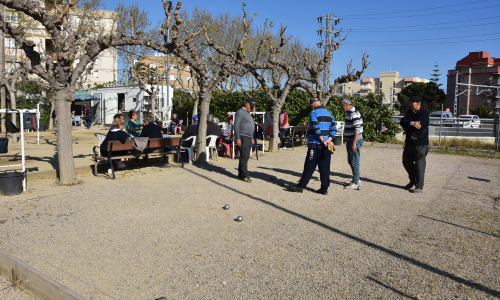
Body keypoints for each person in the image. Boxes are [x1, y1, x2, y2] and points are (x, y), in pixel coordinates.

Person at [289, 98, 337, 195]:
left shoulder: (313, 113)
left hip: (315, 144)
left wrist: (322, 140)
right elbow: (334, 129)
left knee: (309, 166)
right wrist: (328, 140)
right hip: (327, 145)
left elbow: (316, 128)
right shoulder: (329, 114)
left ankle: (301, 186)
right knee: (325, 167)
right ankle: (324, 188)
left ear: (312, 105)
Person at [400, 96, 429, 193]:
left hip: (420, 143)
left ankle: (419, 186)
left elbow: (420, 127)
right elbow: (402, 122)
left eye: (412, 103)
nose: (410, 105)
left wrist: (408, 126)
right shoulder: (409, 113)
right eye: (409, 103)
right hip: (409, 142)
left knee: (419, 165)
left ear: (418, 103)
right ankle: (413, 180)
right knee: (406, 162)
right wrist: (412, 123)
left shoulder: (424, 113)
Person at [340, 97, 364, 190]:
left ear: (345, 104)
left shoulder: (353, 113)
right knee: (351, 161)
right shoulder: (349, 112)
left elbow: (357, 129)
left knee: (354, 161)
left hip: (354, 141)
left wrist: (354, 143)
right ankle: (356, 179)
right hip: (351, 140)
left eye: (341, 106)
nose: (341, 108)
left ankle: (356, 182)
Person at [234, 98, 256, 182]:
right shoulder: (240, 112)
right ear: (246, 104)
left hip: (248, 136)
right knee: (245, 156)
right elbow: (236, 125)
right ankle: (245, 175)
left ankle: (240, 175)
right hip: (243, 136)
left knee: (244, 155)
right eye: (250, 106)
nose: (251, 108)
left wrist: (251, 137)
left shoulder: (247, 113)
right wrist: (238, 138)